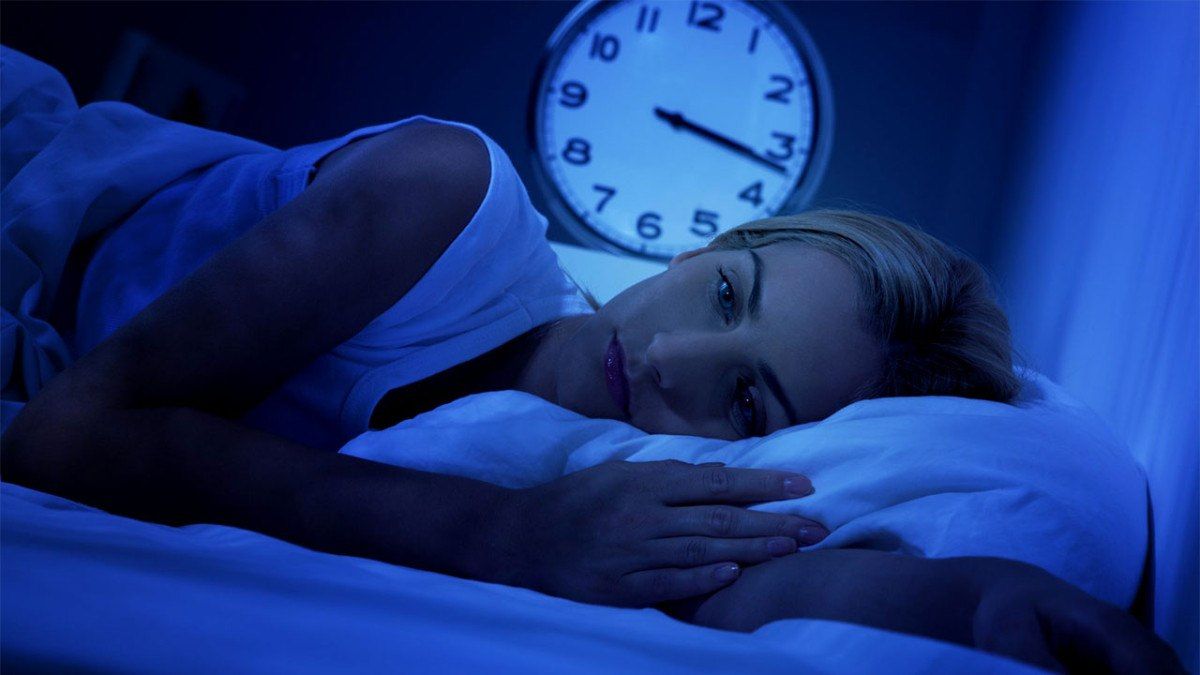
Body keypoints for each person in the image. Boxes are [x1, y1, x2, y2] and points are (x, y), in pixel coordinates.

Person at [0, 47, 1183, 673]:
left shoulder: (585, 467)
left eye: (745, 398)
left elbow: (746, 588)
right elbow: (64, 432)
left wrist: (985, 602)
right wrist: (495, 538)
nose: (669, 355)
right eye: (726, 294)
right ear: (707, 246)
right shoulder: (444, 193)